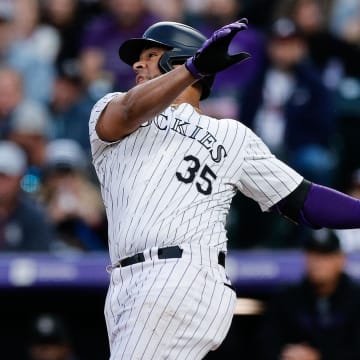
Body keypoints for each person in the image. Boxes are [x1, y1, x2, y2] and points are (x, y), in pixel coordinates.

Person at [88, 19, 360, 359]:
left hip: (178, 275)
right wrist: (194, 68)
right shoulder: (113, 108)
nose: (137, 64)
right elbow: (127, 110)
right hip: (126, 284)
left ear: (181, 58)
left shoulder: (233, 135)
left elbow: (302, 200)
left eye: (151, 54)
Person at [258, 229, 360, 360]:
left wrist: (320, 356)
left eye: (325, 254)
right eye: (313, 254)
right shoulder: (286, 298)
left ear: (341, 259)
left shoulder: (356, 298)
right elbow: (266, 346)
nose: (318, 262)